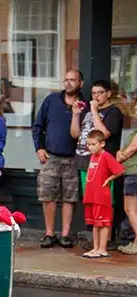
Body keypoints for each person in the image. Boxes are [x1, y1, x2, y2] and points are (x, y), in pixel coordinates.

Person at [32, 69, 87, 249]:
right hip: (51, 155)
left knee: (69, 198)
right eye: (66, 80)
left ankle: (65, 235)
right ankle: (49, 234)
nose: (69, 83)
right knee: (48, 196)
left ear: (81, 83)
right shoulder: (51, 100)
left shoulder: (85, 104)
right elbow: (37, 126)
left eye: (73, 80)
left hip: (74, 157)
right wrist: (39, 148)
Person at [82, 130, 125, 258]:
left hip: (101, 196)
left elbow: (120, 170)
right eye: (88, 144)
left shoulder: (106, 156)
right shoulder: (92, 157)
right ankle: (95, 248)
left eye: (93, 144)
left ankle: (102, 249)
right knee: (95, 223)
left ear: (102, 144)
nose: (90, 147)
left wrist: (108, 179)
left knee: (104, 223)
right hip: (92, 195)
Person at [117, 119, 137, 255]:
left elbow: (132, 148)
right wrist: (120, 152)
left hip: (133, 172)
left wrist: (121, 156)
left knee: (129, 209)